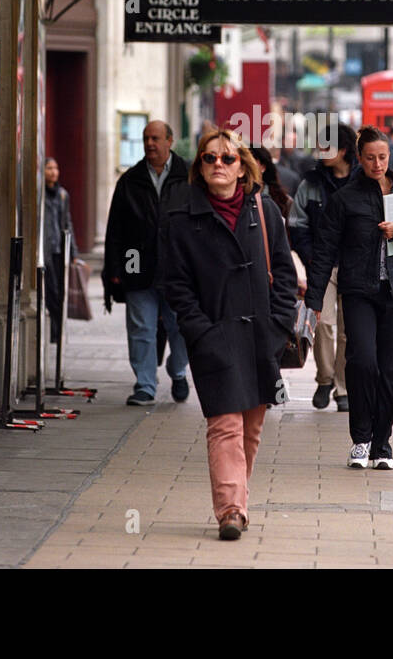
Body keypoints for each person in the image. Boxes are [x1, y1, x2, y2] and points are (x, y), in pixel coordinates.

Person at [161, 130, 297, 540]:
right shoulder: (181, 219)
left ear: (243, 167)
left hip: (261, 337)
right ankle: (231, 510)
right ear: (199, 168)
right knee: (225, 425)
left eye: (228, 158)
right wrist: (201, 332)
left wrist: (277, 326)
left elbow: (286, 274)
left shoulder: (265, 210)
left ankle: (237, 497)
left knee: (251, 428)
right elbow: (176, 286)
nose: (218, 165)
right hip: (213, 337)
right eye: (209, 159)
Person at [305, 125, 393, 470]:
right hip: (359, 291)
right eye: (370, 158)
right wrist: (315, 300)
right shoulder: (346, 198)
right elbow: (324, 251)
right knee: (362, 361)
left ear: (389, 156)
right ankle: (361, 439)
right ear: (359, 158)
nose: (377, 164)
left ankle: (383, 442)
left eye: (382, 157)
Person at [103, 120, 191, 406]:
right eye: (146, 139)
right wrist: (115, 270)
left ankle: (178, 371)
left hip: (179, 268)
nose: (150, 144)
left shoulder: (189, 177)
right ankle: (144, 384)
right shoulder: (130, 180)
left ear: (170, 140)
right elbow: (115, 228)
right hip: (137, 264)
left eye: (155, 138)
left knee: (183, 327)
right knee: (141, 328)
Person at [289, 122, 356, 412]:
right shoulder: (310, 183)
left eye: (326, 145)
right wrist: (311, 257)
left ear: (343, 150)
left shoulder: (362, 180)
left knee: (347, 331)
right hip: (322, 266)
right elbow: (297, 225)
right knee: (324, 325)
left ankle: (342, 389)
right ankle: (325, 379)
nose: (319, 150)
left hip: (355, 265)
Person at [43, 157, 76, 347]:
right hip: (46, 250)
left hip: (59, 249)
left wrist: (73, 252)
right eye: (49, 168)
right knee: (51, 291)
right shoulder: (40, 195)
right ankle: (55, 329)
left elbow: (67, 223)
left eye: (55, 168)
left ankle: (58, 329)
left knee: (60, 292)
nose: (53, 172)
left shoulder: (62, 195)